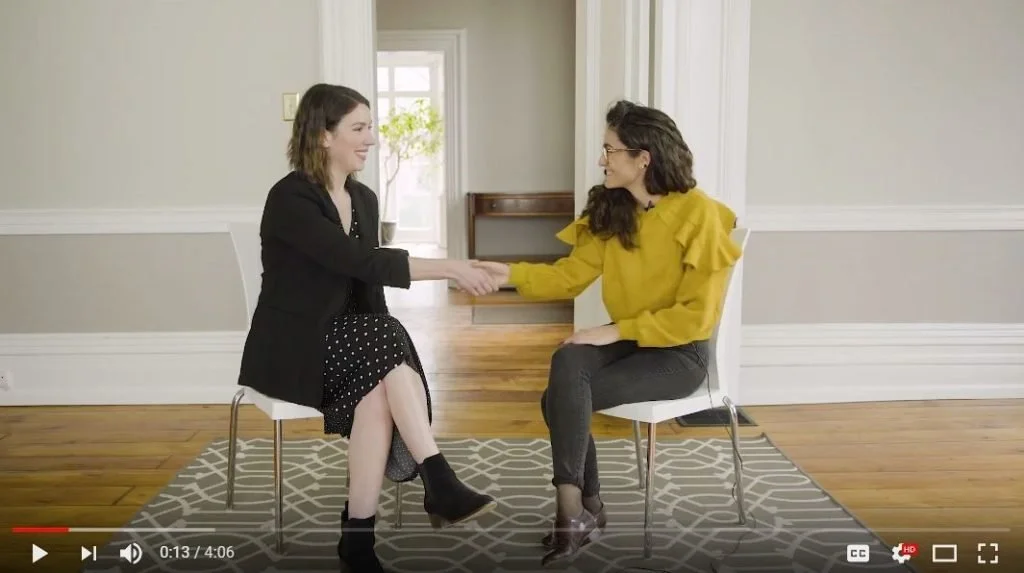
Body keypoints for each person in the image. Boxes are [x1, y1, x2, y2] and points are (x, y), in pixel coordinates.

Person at [237, 83, 498, 573]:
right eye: (358, 128)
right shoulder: (291, 197)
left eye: (370, 127)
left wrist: (385, 335)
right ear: (323, 135)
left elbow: (367, 287)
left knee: (379, 373)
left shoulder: (363, 197)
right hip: (292, 349)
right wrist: (451, 268)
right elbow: (358, 260)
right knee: (383, 338)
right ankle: (436, 476)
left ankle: (358, 541)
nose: (371, 139)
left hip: (349, 345)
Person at [474, 100, 743, 565]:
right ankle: (575, 509)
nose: (603, 159)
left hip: (679, 355)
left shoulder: (700, 214)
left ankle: (582, 509)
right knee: (568, 360)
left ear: (643, 158)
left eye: (611, 150)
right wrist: (508, 274)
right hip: (630, 342)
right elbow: (568, 276)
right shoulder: (614, 208)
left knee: (558, 400)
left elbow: (695, 318)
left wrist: (615, 330)